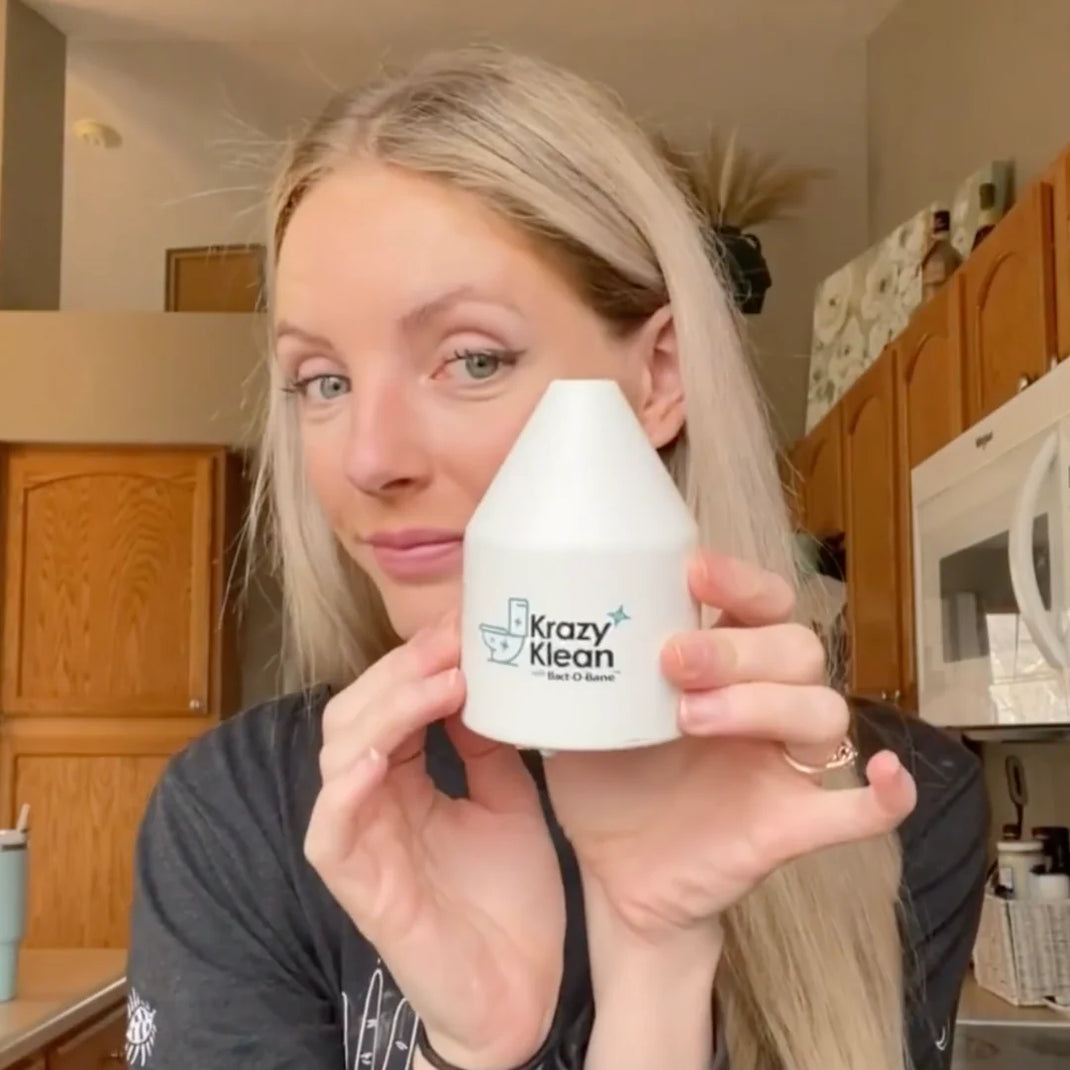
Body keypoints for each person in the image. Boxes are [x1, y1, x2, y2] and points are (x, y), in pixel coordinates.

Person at [126, 47, 987, 1070]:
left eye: (472, 358)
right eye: (320, 380)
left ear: (656, 374)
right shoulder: (239, 819)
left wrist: (655, 962)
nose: (368, 458)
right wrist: (475, 1045)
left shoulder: (888, 801)